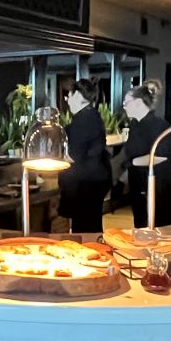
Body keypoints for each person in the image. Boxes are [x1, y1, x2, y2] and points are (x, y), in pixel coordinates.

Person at [58, 79, 112, 233]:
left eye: (69, 96)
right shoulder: (93, 116)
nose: (67, 100)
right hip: (95, 180)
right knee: (91, 225)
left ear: (76, 95)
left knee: (84, 229)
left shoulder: (83, 121)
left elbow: (73, 155)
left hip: (85, 183)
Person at [123, 79, 171, 229]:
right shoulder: (135, 125)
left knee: (159, 227)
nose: (124, 107)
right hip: (139, 184)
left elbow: (160, 156)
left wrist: (131, 163)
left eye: (126, 103)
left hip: (157, 186)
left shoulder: (158, 125)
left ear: (138, 102)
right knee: (141, 225)